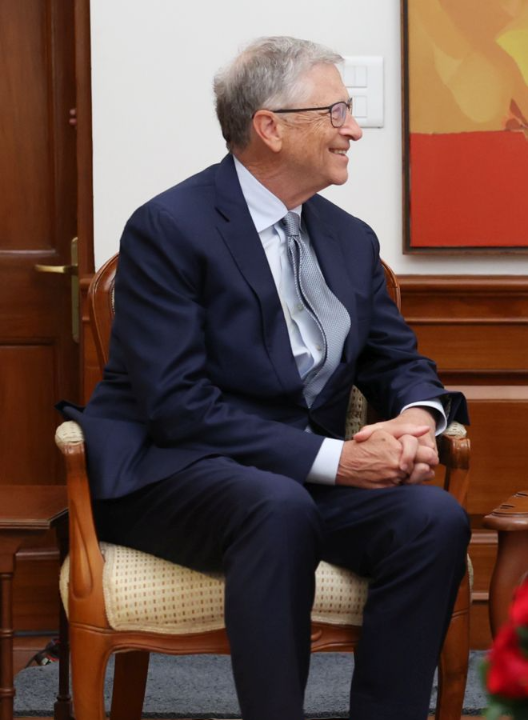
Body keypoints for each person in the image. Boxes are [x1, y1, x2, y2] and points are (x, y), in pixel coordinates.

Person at [58, 37, 470, 720]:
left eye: (349, 109)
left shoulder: (349, 239)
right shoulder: (169, 228)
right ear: (270, 127)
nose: (352, 128)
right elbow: (178, 406)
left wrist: (416, 422)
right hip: (174, 470)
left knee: (431, 517)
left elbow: (398, 362)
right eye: (334, 110)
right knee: (275, 507)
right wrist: (341, 459)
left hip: (291, 475)